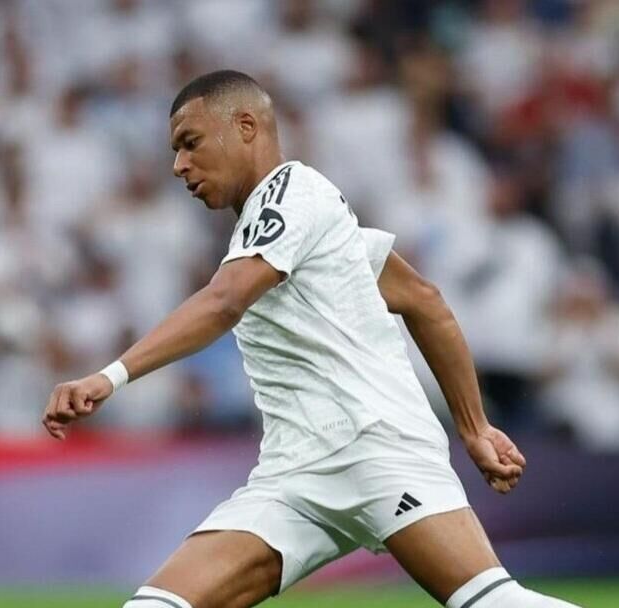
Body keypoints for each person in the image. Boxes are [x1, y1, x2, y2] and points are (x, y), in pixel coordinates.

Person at [42, 70, 579, 608]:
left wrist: (110, 376)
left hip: (375, 449)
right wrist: (474, 427)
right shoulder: (308, 226)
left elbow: (224, 301)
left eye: (190, 142)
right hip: (296, 475)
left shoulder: (291, 195)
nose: (179, 165)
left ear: (245, 126)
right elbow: (423, 301)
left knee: (490, 602)